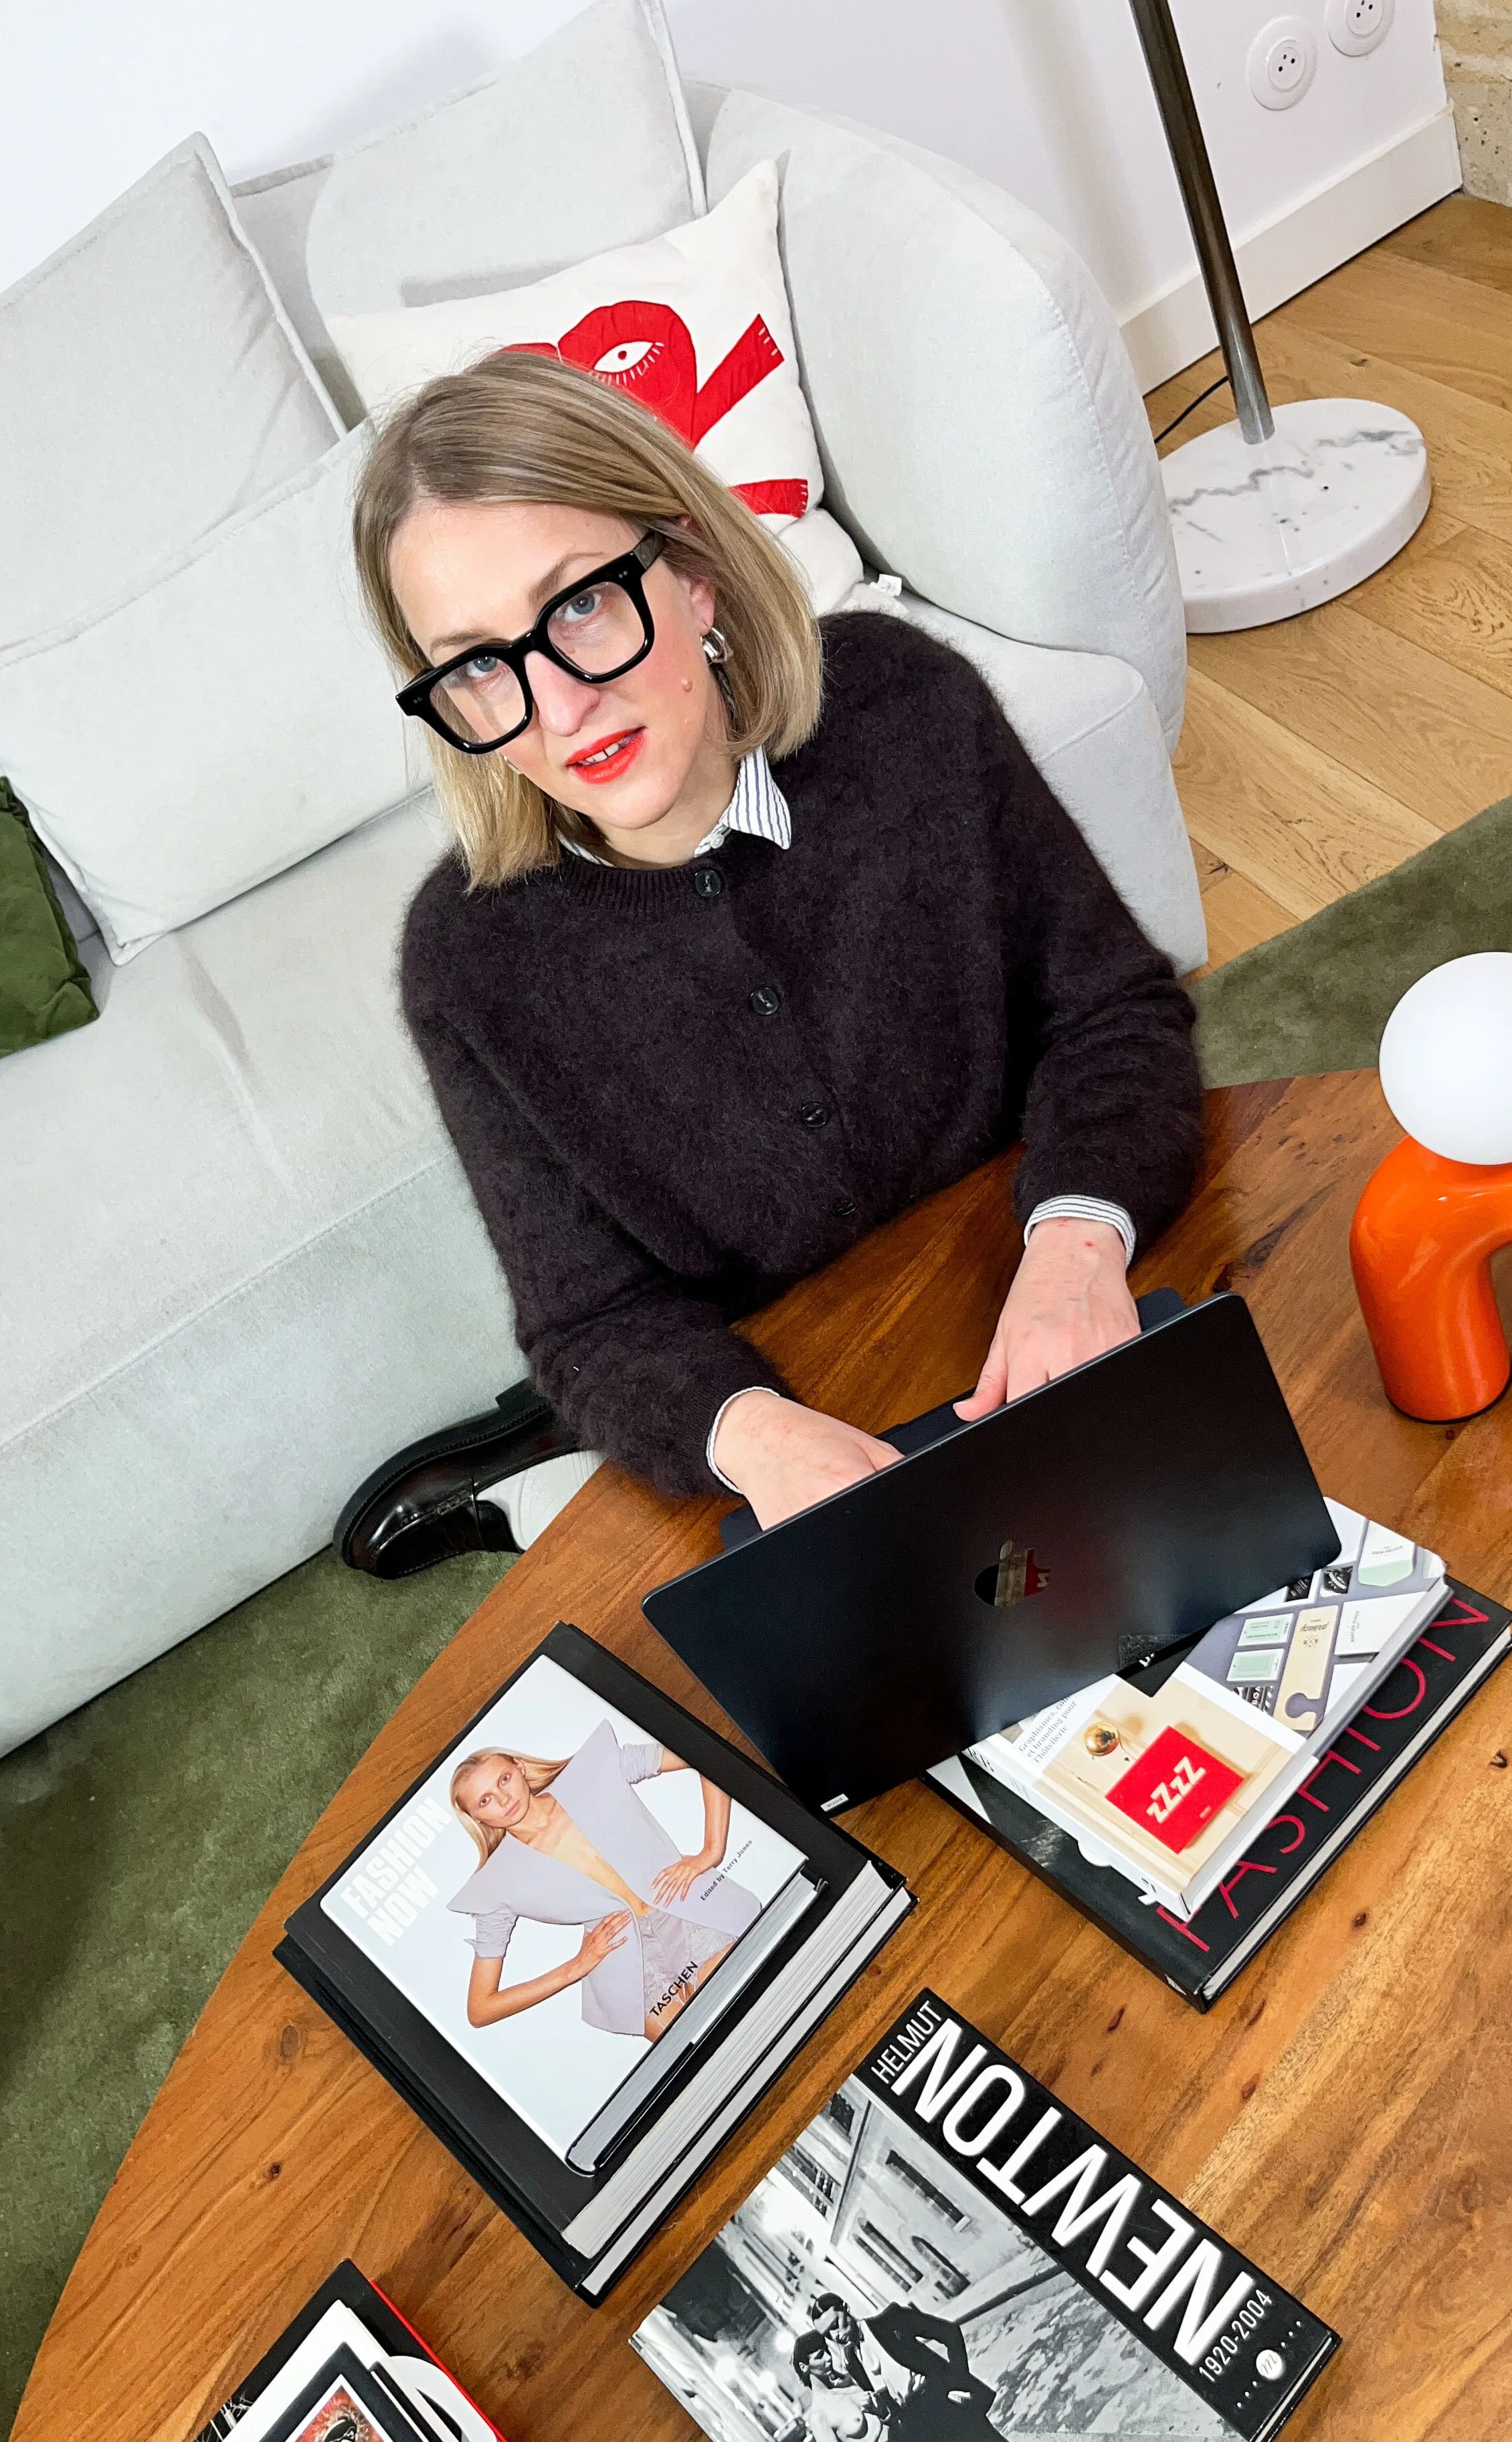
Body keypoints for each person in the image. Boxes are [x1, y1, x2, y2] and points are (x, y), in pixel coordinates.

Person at [353, 351, 1202, 1527]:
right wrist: (753, 1437)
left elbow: (1111, 1011)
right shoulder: (465, 965)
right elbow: (588, 1320)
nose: (555, 707)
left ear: (692, 571)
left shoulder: (905, 702)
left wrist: (1073, 1248)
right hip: (806, 1416)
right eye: (480, 665)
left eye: (581, 601)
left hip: (1054, 1284)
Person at [445, 1719, 758, 2042]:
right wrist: (575, 1968)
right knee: (709, 2054)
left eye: (504, 1780)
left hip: (689, 1914)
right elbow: (480, 2009)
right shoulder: (496, 1885)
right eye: (485, 1800)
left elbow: (706, 1750)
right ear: (477, 1818)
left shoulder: (594, 1772)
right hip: (623, 1963)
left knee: (754, 2007)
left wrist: (712, 1851)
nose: (503, 1798)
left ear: (520, 1767)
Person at [808, 2295, 1004, 2442]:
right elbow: (886, 2402)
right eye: (829, 2334)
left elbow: (949, 2332)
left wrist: (957, 2382)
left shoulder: (890, 2320)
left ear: (846, 2308)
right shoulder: (852, 2361)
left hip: (945, 2403)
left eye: (836, 2324)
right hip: (918, 2427)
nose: (836, 2334)